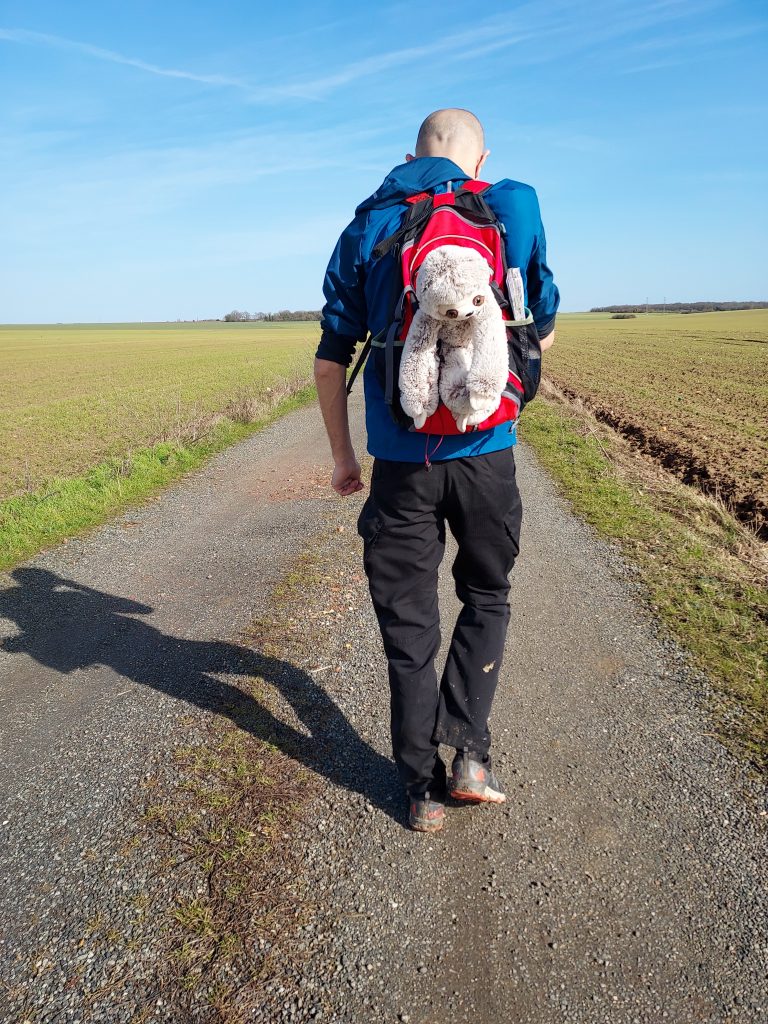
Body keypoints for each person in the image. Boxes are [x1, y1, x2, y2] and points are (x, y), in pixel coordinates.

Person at [314, 109, 559, 832]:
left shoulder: (371, 222)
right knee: (487, 594)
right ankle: (470, 756)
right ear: (481, 157)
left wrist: (341, 459)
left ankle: (419, 790)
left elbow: (332, 359)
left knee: (409, 622)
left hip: (399, 463)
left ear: (412, 156)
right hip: (488, 457)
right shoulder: (512, 205)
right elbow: (540, 318)